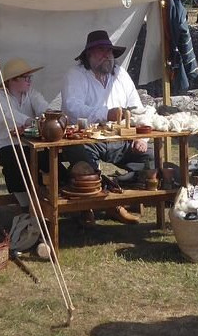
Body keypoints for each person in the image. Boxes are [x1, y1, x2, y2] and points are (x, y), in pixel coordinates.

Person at [61, 30, 154, 224]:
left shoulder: (120, 74)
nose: (106, 55)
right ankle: (101, 204)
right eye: (101, 51)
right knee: (85, 165)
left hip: (120, 139)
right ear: (89, 54)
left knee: (152, 159)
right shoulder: (76, 74)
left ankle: (121, 190)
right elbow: (72, 107)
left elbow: (137, 109)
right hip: (87, 139)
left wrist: (141, 138)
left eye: (109, 51)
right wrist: (105, 113)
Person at [0, 58, 49, 209]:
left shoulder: (32, 94)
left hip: (31, 144)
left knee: (51, 160)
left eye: (30, 77)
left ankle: (54, 197)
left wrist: (49, 117)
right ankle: (25, 205)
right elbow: (9, 116)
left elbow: (44, 109)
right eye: (26, 77)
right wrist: (31, 122)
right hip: (6, 144)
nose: (29, 81)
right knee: (16, 162)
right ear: (12, 80)